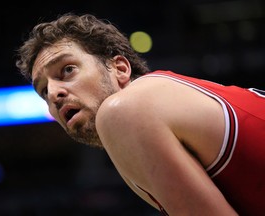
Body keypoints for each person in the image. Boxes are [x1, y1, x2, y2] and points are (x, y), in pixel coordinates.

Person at [15, 12, 265, 216]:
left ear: (120, 69)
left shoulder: (125, 109)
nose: (54, 94)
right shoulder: (168, 101)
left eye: (67, 70)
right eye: (44, 90)